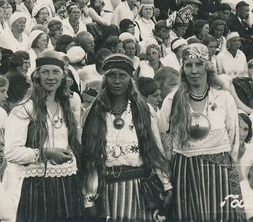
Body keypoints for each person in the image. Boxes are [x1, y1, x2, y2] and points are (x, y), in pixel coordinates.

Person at [157, 43, 243, 222]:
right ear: (183, 69)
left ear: (208, 67)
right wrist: (167, 181)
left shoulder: (223, 97)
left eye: (199, 64)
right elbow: (164, 142)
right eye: (188, 65)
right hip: (185, 170)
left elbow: (234, 139)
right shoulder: (172, 100)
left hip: (218, 172)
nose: (194, 70)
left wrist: (230, 171)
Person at [82, 53, 172, 221]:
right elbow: (91, 159)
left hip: (139, 189)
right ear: (105, 79)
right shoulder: (95, 112)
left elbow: (155, 150)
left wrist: (166, 185)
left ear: (130, 79)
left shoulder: (143, 110)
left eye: (122, 76)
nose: (117, 81)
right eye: (112, 76)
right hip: (107, 189)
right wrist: (89, 198)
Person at [5, 50, 82, 222]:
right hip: (37, 185)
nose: (50, 77)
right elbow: (10, 152)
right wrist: (44, 153)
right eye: (45, 72)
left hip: (67, 183)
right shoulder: (25, 109)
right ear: (37, 75)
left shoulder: (67, 106)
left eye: (56, 72)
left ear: (63, 75)